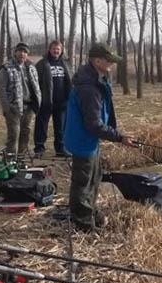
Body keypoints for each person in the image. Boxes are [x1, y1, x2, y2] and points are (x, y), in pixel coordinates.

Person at [62, 42, 137, 233]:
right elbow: (93, 124)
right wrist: (120, 137)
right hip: (83, 139)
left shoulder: (97, 77)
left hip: (90, 138)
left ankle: (89, 211)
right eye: (108, 60)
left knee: (95, 176)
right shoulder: (89, 87)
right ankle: (82, 223)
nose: (111, 63)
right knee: (83, 181)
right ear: (97, 61)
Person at [0, 42, 40, 156]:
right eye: (20, 51)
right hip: (13, 107)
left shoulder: (31, 67)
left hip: (29, 107)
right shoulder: (6, 67)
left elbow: (36, 86)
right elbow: (0, 89)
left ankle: (22, 158)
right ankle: (11, 160)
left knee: (25, 133)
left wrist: (37, 103)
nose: (22, 54)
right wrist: (7, 108)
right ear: (15, 52)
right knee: (14, 135)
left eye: (25, 52)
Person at [34, 39, 73, 157]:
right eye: (54, 49)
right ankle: (39, 149)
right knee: (41, 126)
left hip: (61, 102)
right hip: (46, 101)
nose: (56, 51)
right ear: (49, 50)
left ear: (61, 51)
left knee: (60, 127)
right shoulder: (42, 64)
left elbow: (70, 81)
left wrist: (70, 97)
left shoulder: (65, 63)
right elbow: (35, 82)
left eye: (58, 49)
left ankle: (60, 149)